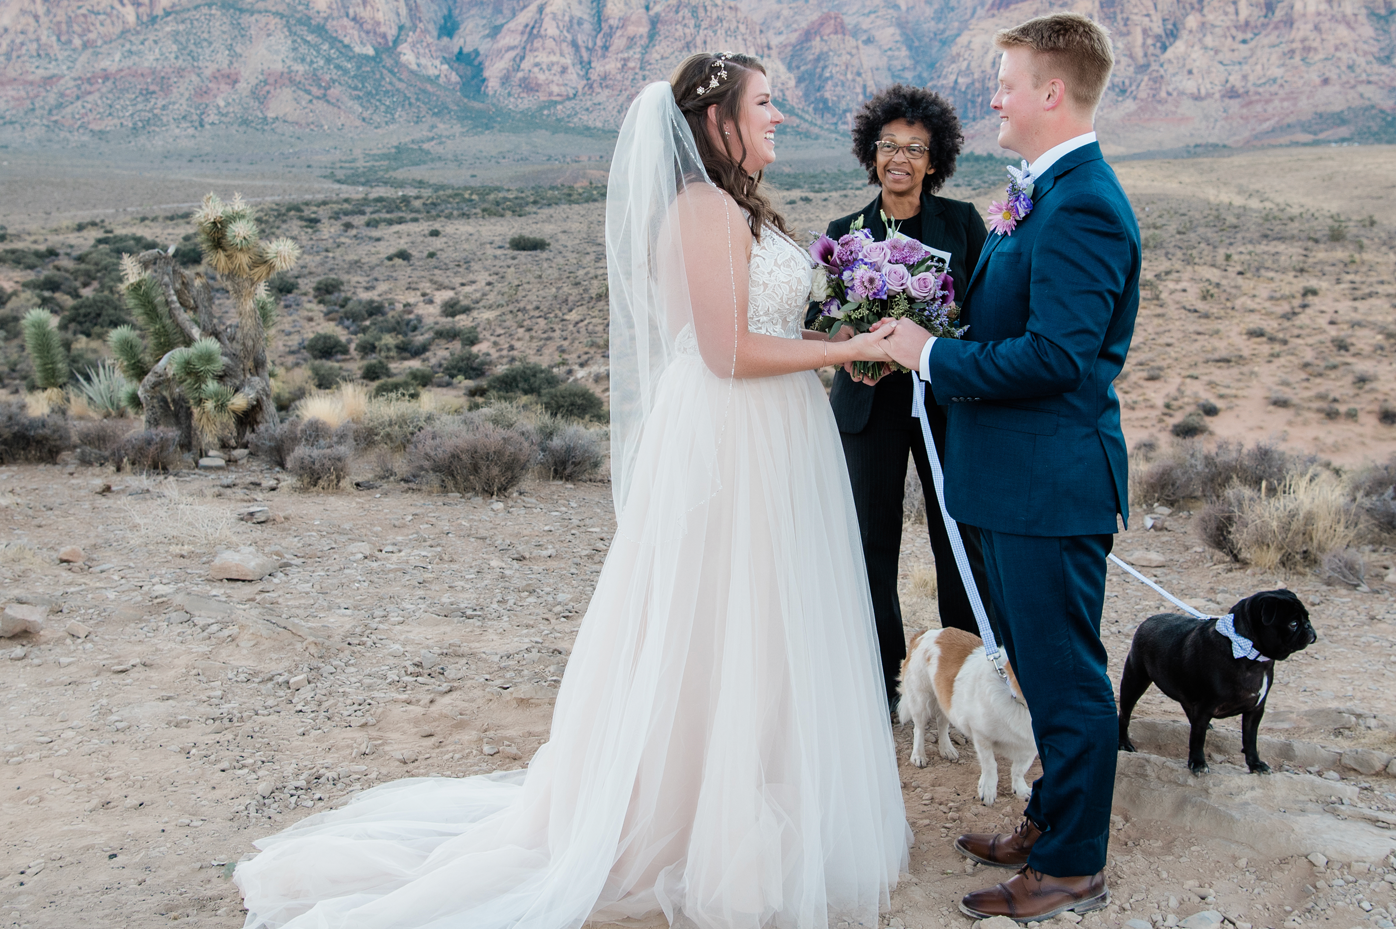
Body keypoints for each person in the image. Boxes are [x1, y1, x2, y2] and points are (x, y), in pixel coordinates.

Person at [232, 52, 910, 929]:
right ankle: (690, 823)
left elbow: (763, 323)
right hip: (731, 437)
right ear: (717, 122)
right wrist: (846, 353)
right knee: (717, 618)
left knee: (759, 623)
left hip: (771, 434)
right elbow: (728, 352)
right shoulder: (702, 206)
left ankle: (747, 797)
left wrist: (838, 331)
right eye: (766, 104)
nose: (781, 118)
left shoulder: (735, 205)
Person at [876, 12, 1140, 922]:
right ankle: (1047, 818)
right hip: (1009, 485)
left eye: (1008, 80)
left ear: (1051, 92)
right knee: (1033, 665)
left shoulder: (1088, 205)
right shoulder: (1043, 192)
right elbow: (1008, 325)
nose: (994, 95)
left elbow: (1061, 357)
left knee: (1066, 683)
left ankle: (1072, 864)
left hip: (1049, 488)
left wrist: (932, 358)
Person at [819, 84, 992, 705]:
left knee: (959, 537)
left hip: (943, 402)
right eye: (889, 145)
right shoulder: (844, 232)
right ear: (872, 153)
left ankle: (968, 679)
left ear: (934, 160)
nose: (901, 158)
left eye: (916, 148)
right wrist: (858, 343)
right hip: (868, 405)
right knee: (871, 541)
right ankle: (886, 683)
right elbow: (828, 319)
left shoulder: (964, 222)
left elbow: (978, 309)